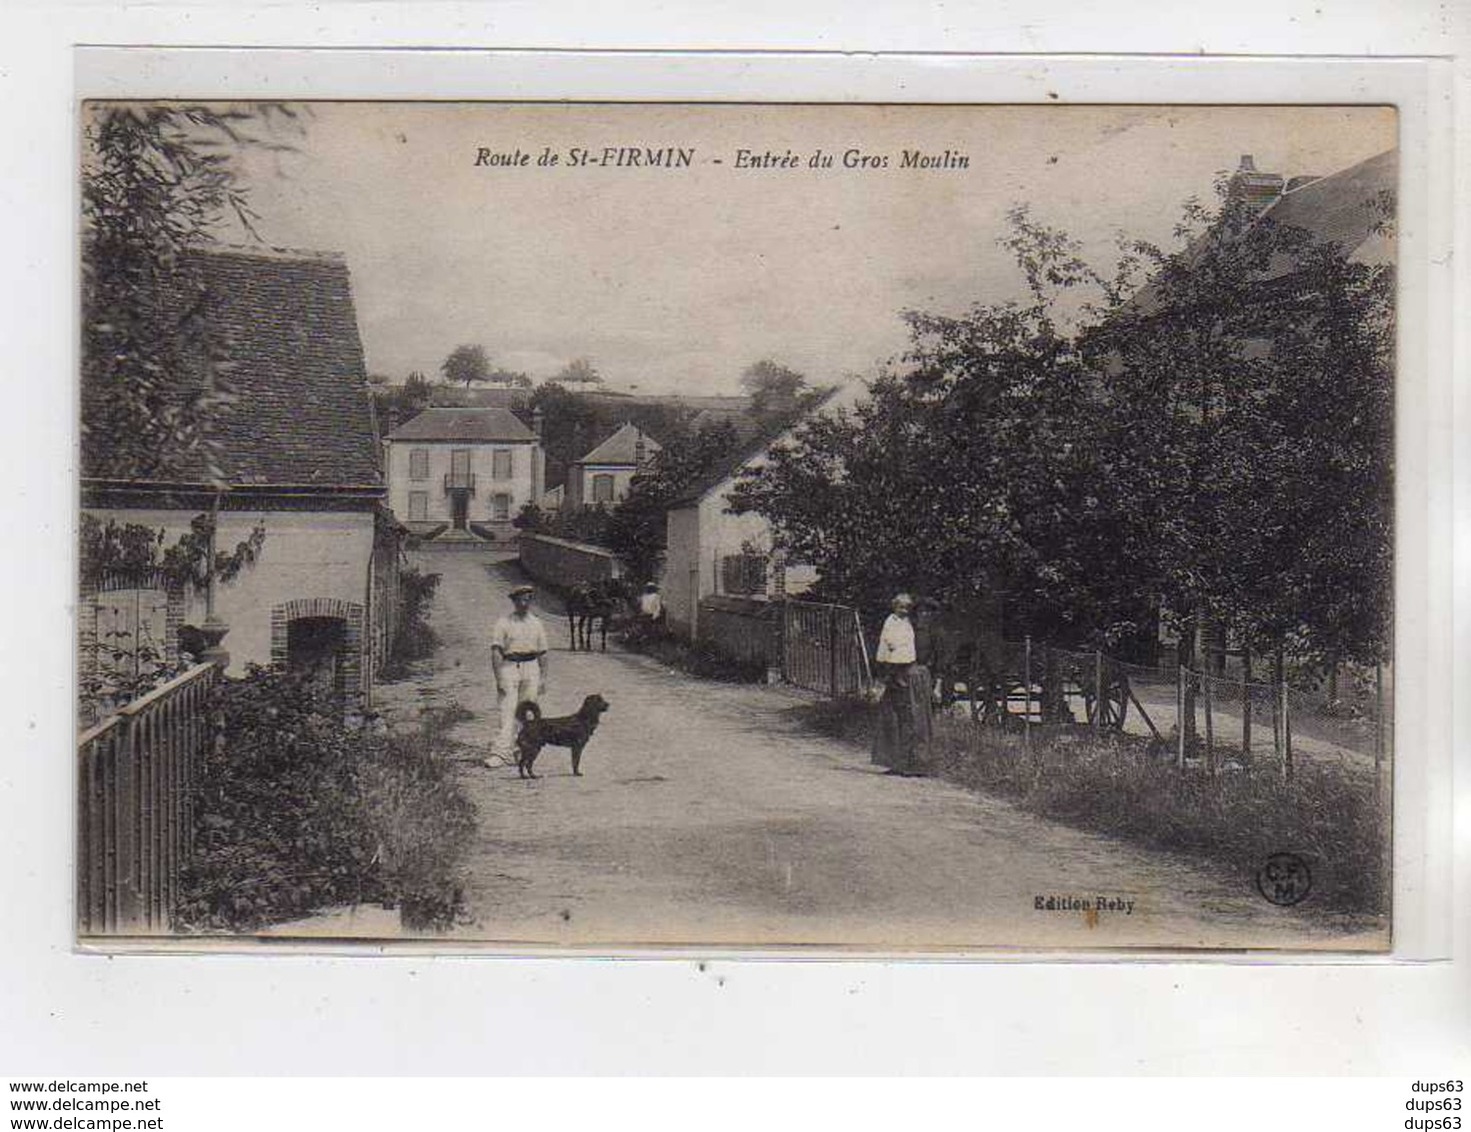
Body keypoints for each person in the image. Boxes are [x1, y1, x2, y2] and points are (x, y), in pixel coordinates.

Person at [486, 583, 550, 766]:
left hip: (531, 668)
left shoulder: (537, 623)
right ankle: (500, 753)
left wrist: (543, 678)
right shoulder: (503, 623)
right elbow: (496, 651)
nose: (525, 603)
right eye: (521, 599)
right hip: (509, 666)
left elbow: (543, 653)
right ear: (514, 601)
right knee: (507, 709)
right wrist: (498, 677)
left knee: (527, 712)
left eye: (528, 599)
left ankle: (521, 750)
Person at [871, 592, 933, 776]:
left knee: (913, 720)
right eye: (900, 607)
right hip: (894, 674)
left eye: (907, 608)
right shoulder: (891, 623)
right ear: (894, 607)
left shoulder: (912, 628)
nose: (904, 611)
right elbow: (887, 647)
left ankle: (915, 765)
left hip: (908, 675)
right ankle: (896, 762)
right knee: (893, 719)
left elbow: (909, 653)